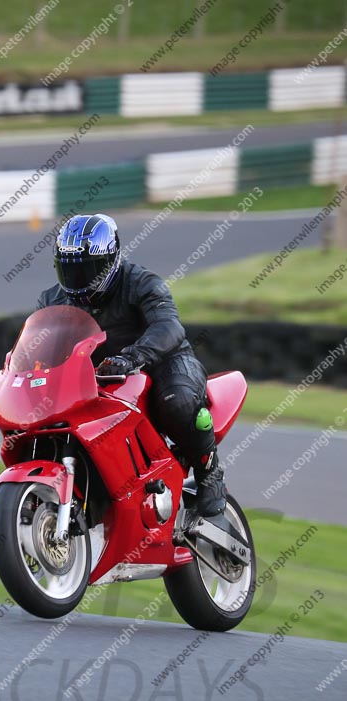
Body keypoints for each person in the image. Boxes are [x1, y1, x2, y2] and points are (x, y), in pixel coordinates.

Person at [36, 213, 226, 517]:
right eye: (70, 270)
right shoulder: (52, 300)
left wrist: (133, 357)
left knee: (177, 402)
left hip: (161, 362)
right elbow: (40, 345)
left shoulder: (141, 282)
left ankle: (210, 474)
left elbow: (170, 327)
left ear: (111, 260)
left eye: (87, 269)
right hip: (98, 377)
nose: (79, 280)